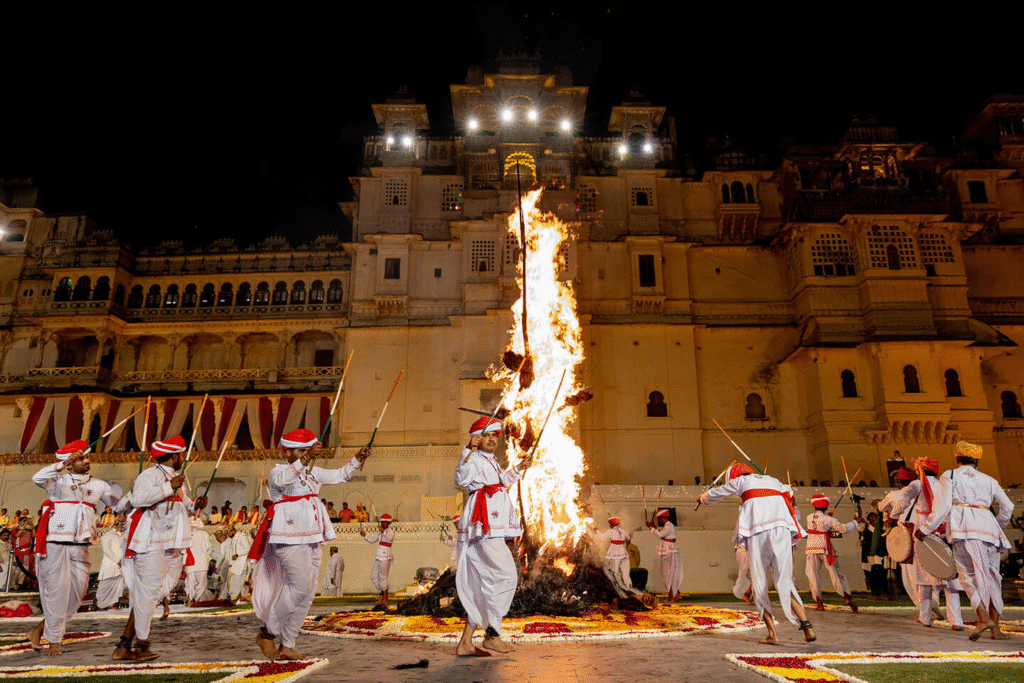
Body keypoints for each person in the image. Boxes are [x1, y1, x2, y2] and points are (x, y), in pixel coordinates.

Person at [249, 428, 370, 661]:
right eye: (301, 451)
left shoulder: (312, 472)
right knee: (299, 587)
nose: (307, 454)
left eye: (308, 450)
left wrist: (357, 458)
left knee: (307, 593)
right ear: (288, 452)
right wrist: (306, 458)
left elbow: (341, 475)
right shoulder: (278, 472)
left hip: (313, 537)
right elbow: (283, 481)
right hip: (288, 536)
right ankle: (267, 634)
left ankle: (287, 644)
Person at [112, 435, 208, 662]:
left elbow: (182, 505)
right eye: (181, 455)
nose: (182, 458)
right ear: (174, 456)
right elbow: (138, 500)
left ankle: (123, 646)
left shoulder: (176, 478)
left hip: (172, 543)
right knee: (148, 594)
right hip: (151, 543)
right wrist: (167, 488)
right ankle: (141, 645)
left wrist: (195, 505)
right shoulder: (149, 475)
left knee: (154, 593)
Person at [698, 463, 815, 645]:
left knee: (759, 583)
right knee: (785, 581)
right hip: (782, 530)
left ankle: (772, 634)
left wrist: (701, 498)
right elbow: (790, 493)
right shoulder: (773, 481)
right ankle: (808, 629)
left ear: (735, 476)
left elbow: (715, 494)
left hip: (758, 531)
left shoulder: (740, 481)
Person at [28, 440, 122, 655]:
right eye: (81, 458)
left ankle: (38, 630)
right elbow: (36, 478)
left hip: (81, 545)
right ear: (69, 463)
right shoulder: (57, 481)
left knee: (76, 595)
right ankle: (54, 641)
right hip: (55, 543)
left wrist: (137, 498)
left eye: (87, 457)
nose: (87, 460)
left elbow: (117, 505)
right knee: (57, 593)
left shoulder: (99, 485)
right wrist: (60, 466)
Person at [919, 441, 1014, 640]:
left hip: (964, 530)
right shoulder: (989, 479)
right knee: (993, 577)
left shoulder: (950, 475)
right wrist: (997, 525)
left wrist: (925, 528)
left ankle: (983, 618)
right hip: (990, 531)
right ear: (977, 460)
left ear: (958, 458)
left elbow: (943, 506)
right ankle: (995, 629)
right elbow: (1008, 507)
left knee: (968, 576)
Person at [453, 416, 531, 657]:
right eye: (485, 436)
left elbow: (501, 483)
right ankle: (492, 636)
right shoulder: (474, 458)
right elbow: (460, 478)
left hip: (492, 528)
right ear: (477, 438)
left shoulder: (492, 461)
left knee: (483, 584)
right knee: (506, 577)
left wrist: (519, 468)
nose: (491, 440)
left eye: (494, 436)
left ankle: (466, 642)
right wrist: (467, 449)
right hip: (484, 527)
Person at [891, 457, 965, 631]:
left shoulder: (916, 484)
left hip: (923, 527)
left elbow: (902, 502)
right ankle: (956, 621)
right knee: (947, 572)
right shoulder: (944, 484)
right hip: (943, 526)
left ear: (920, 470)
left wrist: (893, 517)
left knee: (923, 575)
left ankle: (925, 618)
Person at [804, 494, 858, 613]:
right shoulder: (828, 519)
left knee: (813, 575)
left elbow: (819, 523)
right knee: (836, 573)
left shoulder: (809, 517)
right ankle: (847, 597)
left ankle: (819, 603)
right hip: (825, 548)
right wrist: (855, 522)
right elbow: (843, 529)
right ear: (826, 507)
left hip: (811, 549)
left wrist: (828, 520)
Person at [878, 466, 923, 607]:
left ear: (899, 481)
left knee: (909, 574)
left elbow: (880, 507)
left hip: (906, 535)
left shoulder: (893, 495)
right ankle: (931, 603)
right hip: (923, 532)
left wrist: (887, 514)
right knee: (925, 569)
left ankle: (923, 607)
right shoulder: (922, 493)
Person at [597, 516, 638, 599]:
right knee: (626, 574)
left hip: (615, 554)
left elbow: (601, 538)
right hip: (624, 554)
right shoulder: (624, 531)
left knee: (614, 573)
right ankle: (630, 590)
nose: (609, 525)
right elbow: (628, 541)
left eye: (610, 524)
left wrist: (596, 530)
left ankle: (617, 592)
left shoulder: (610, 531)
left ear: (612, 524)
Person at [648, 509, 683, 602]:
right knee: (668, 573)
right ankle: (674, 595)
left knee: (667, 574)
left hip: (669, 552)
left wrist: (651, 529)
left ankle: (671, 596)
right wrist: (653, 527)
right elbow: (663, 534)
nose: (659, 520)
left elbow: (661, 534)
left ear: (664, 517)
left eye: (659, 518)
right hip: (669, 551)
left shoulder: (669, 525)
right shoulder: (668, 525)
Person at [361, 514, 396, 605]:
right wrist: (365, 535)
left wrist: (383, 531)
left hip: (385, 556)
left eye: (385, 522)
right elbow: (372, 540)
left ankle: (385, 599)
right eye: (382, 522)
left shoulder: (390, 532)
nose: (383, 524)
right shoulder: (380, 533)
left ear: (388, 523)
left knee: (383, 578)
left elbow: (390, 537)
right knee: (373, 577)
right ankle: (382, 593)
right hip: (378, 556)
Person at [97, 512, 127, 610]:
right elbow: (107, 551)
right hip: (110, 566)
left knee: (123, 585)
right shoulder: (108, 535)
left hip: (123, 567)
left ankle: (112, 605)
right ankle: (101, 606)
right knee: (104, 588)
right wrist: (117, 561)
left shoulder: (125, 536)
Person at [185, 518, 211, 606]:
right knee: (201, 583)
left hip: (191, 561)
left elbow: (184, 549)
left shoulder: (187, 534)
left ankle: (190, 600)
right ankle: (197, 600)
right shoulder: (205, 534)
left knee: (190, 582)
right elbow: (208, 547)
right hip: (202, 561)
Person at [227, 524, 252, 602]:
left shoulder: (242, 536)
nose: (228, 535)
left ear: (232, 531)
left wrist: (238, 554)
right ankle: (238, 599)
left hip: (242, 563)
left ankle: (236, 599)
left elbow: (248, 548)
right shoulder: (233, 538)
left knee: (238, 581)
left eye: (228, 533)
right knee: (233, 581)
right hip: (235, 564)